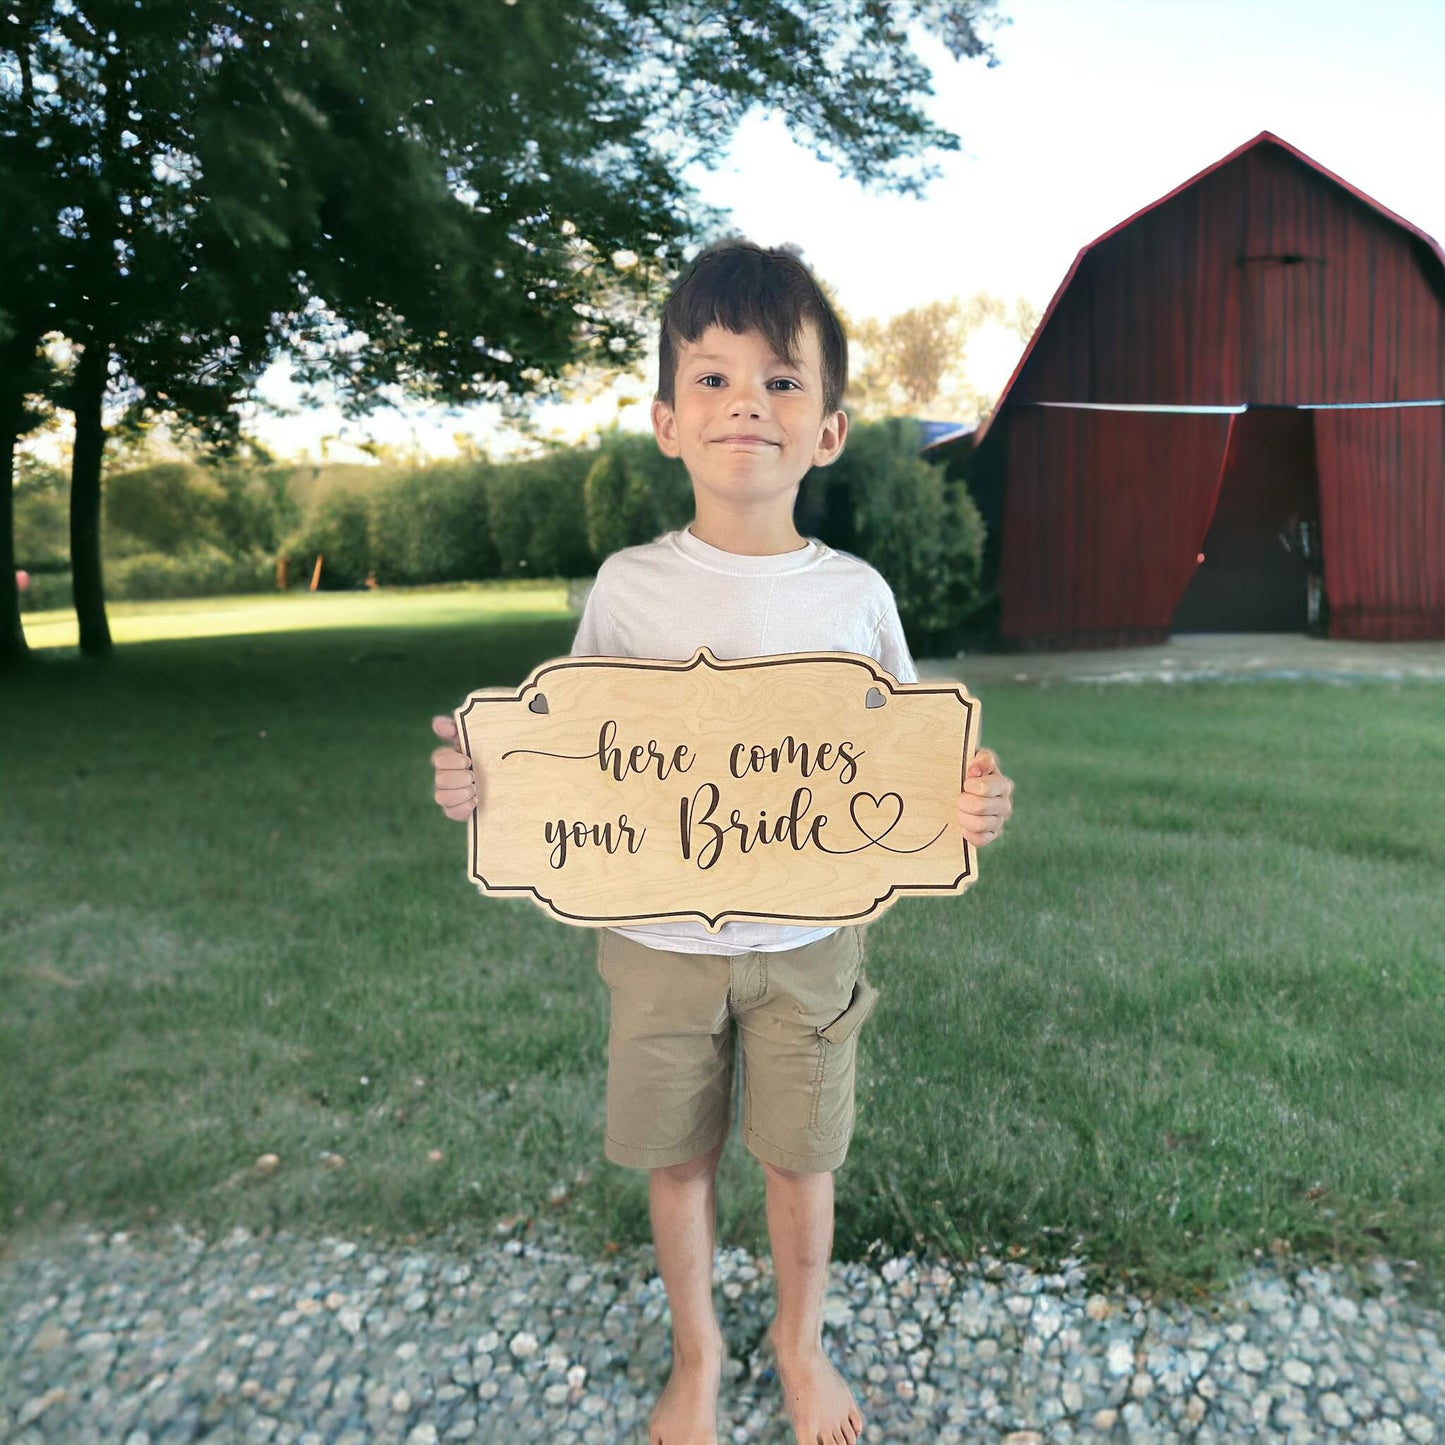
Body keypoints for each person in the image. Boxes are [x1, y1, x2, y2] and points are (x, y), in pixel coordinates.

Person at [431, 240, 1014, 1445]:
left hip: (809, 937)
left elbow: (910, 760)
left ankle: (798, 1344)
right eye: (711, 378)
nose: (746, 400)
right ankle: (696, 1354)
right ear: (663, 417)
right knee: (678, 1151)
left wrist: (965, 806)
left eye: (781, 380)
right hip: (654, 940)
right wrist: (486, 785)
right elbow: (566, 751)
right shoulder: (630, 588)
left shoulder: (853, 597)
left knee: (801, 1157)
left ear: (831, 429)